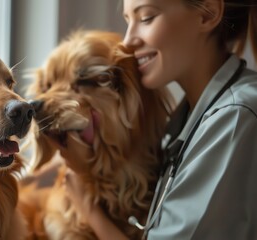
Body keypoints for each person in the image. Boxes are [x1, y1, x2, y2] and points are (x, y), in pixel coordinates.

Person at [64, 0, 257, 239]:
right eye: (127, 21)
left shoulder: (234, 116)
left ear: (207, 14)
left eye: (146, 18)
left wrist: (89, 209)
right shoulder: (189, 118)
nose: (127, 41)